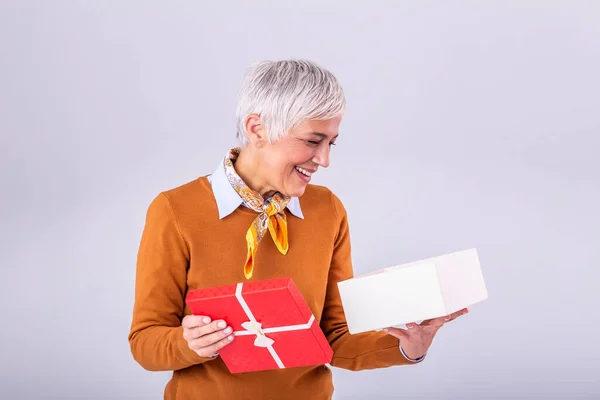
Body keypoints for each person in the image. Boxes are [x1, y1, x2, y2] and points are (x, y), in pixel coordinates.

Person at [128, 59, 467, 399]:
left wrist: (409, 347)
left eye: (330, 143)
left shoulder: (327, 210)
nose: (324, 160)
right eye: (312, 141)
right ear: (257, 129)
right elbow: (145, 342)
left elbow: (334, 337)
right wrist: (186, 343)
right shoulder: (175, 211)